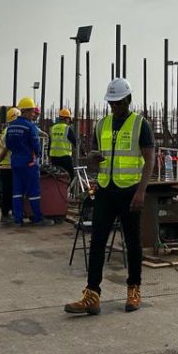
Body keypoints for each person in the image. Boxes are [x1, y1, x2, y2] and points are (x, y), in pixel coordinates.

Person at [65, 77, 156, 316]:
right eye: (111, 103)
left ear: (128, 100)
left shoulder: (140, 124)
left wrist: (141, 191)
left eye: (118, 103)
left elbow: (149, 161)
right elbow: (93, 160)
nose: (114, 107)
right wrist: (91, 161)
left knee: (132, 242)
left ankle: (133, 290)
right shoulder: (101, 125)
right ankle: (92, 295)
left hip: (129, 192)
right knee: (97, 242)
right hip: (105, 190)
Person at [5, 97, 46, 226]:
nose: (34, 114)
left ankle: (18, 220)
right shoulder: (30, 126)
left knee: (17, 191)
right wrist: (37, 155)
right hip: (29, 163)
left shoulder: (11, 126)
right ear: (27, 111)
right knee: (33, 191)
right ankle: (37, 218)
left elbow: (8, 144)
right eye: (33, 112)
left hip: (15, 162)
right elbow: (36, 144)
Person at [0, 106, 20, 225]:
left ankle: (9, 213)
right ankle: (5, 214)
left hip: (7, 165)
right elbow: (6, 149)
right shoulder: (10, 131)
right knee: (8, 191)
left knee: (9, 190)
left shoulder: (8, 130)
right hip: (7, 165)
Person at [49, 108, 78, 179]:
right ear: (66, 119)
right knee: (72, 175)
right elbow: (75, 142)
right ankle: (70, 189)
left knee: (56, 178)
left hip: (54, 158)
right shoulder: (67, 128)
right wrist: (83, 152)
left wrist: (49, 156)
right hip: (65, 158)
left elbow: (50, 143)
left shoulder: (53, 128)